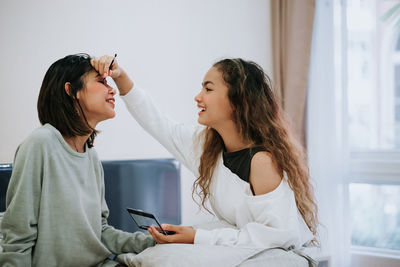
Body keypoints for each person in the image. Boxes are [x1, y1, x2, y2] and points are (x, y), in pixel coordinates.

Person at [91, 55, 318, 250]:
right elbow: (157, 122)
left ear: (238, 100)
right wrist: (119, 76)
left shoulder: (262, 162)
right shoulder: (206, 146)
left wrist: (197, 237)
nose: (198, 97)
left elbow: (278, 238)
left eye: (208, 89)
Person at [0, 54, 155, 266]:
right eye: (101, 81)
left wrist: (153, 242)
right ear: (71, 90)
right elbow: (18, 236)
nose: (112, 90)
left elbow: (99, 232)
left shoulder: (91, 155)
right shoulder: (41, 144)